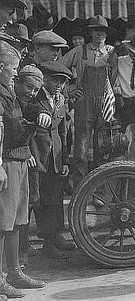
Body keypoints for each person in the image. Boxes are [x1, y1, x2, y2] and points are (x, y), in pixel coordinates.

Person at [0, 41, 47, 299]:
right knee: (2, 222)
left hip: (19, 159)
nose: (15, 73)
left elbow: (28, 109)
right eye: (13, 69)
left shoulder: (9, 92)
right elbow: (3, 130)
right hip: (6, 162)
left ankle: (14, 271)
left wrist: (41, 113)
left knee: (18, 220)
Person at [59, 15, 115, 188]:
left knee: (102, 149)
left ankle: (98, 192)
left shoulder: (112, 52)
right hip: (84, 103)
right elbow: (59, 67)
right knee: (81, 149)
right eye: (96, 30)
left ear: (106, 33)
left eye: (102, 30)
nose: (99, 34)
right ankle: (79, 189)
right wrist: (69, 90)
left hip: (105, 102)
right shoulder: (80, 51)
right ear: (90, 32)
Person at [30, 62, 74, 259]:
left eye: (62, 81)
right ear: (44, 79)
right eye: (55, 80)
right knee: (38, 199)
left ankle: (56, 236)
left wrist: (65, 160)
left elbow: (63, 132)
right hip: (37, 154)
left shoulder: (61, 99)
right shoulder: (34, 97)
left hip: (55, 157)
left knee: (55, 198)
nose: (58, 84)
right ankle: (44, 241)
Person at [14, 66, 44, 266]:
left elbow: (32, 108)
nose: (30, 92)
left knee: (25, 205)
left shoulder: (26, 102)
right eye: (28, 87)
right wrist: (27, 152)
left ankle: (19, 255)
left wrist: (42, 111)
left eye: (35, 90)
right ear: (17, 81)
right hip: (13, 158)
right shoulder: (10, 99)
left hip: (22, 158)